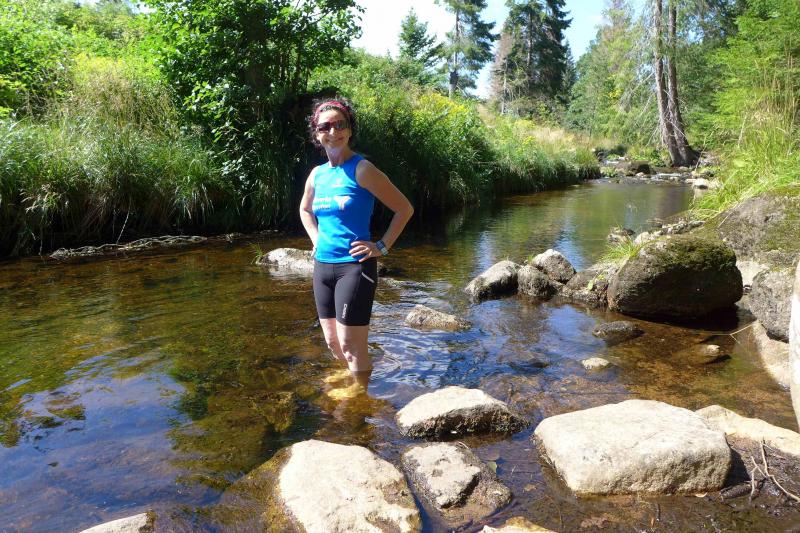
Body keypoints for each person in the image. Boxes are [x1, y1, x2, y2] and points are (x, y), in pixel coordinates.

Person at [299, 98, 413, 395]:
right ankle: (350, 376)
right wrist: (316, 240)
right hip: (323, 267)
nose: (333, 131)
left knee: (351, 343)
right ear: (316, 134)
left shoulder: (362, 169)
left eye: (340, 125)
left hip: (355, 268)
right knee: (332, 342)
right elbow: (305, 210)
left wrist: (382, 246)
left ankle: (360, 396)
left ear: (349, 130)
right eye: (325, 126)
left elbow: (404, 209)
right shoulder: (317, 175)